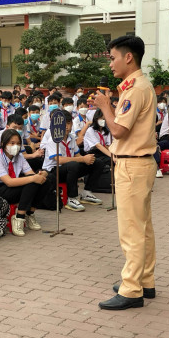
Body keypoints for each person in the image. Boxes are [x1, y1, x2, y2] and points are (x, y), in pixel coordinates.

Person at [94, 35, 157, 310]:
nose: (111, 64)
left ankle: (132, 289)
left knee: (131, 230)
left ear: (128, 57)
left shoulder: (135, 89)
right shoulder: (139, 85)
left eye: (113, 58)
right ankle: (145, 280)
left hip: (132, 164)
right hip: (139, 163)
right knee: (142, 228)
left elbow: (119, 130)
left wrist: (105, 107)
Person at [0, 129, 50, 237]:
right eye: (12, 143)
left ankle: (30, 214)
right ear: (3, 144)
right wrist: (33, 178)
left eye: (18, 143)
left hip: (12, 185)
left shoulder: (19, 157)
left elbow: (30, 173)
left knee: (44, 182)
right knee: (32, 182)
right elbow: (9, 182)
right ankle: (19, 218)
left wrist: (41, 175)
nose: (16, 146)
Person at [41, 110, 102, 212]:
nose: (66, 126)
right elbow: (59, 160)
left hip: (69, 169)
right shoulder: (53, 139)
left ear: (71, 124)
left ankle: (86, 192)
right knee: (73, 165)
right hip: (53, 172)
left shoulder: (72, 138)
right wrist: (82, 159)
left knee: (97, 162)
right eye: (62, 124)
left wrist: (87, 159)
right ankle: (72, 198)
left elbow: (77, 155)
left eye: (68, 123)